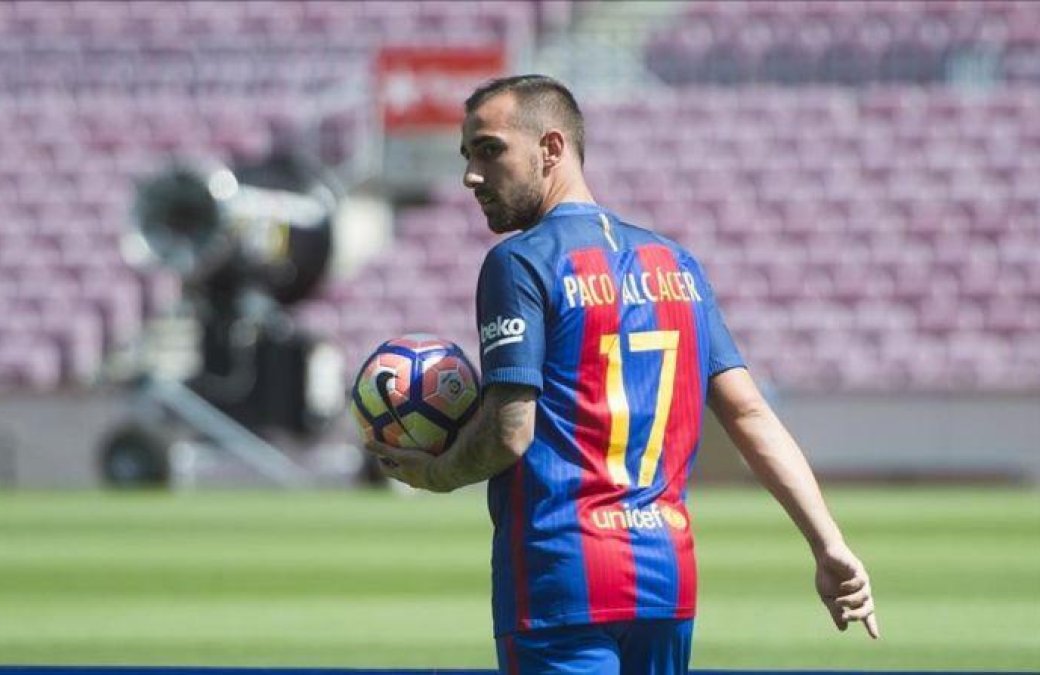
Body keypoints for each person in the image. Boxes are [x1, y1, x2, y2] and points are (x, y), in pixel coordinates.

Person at [365, 74, 878, 675]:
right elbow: (748, 412)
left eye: (489, 149)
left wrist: (436, 475)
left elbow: (510, 431)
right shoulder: (676, 263)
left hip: (560, 576)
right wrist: (827, 541)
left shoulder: (520, 263)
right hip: (665, 577)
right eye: (467, 155)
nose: (471, 175)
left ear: (551, 148)